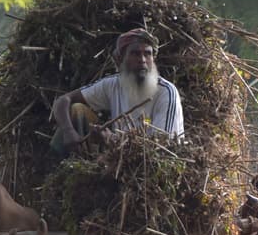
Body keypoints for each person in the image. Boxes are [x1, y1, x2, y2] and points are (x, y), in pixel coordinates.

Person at [51, 28, 184, 155]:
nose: (142, 60)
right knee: (77, 109)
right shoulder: (113, 84)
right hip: (117, 158)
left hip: (150, 170)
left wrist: (112, 140)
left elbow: (161, 152)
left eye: (148, 54)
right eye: (135, 53)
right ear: (120, 59)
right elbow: (63, 100)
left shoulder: (166, 92)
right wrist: (68, 131)